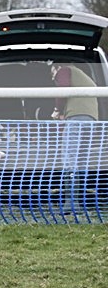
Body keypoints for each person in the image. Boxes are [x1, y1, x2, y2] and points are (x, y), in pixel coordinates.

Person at [50, 63, 99, 208]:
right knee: (81, 161)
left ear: (56, 67)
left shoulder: (64, 70)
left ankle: (70, 203)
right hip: (91, 120)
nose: (54, 78)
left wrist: (57, 110)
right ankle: (80, 201)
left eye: (52, 74)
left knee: (69, 161)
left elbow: (63, 89)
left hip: (76, 119)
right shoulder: (84, 77)